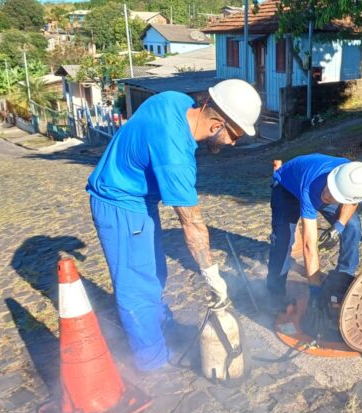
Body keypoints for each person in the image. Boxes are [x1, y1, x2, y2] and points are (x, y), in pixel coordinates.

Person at [86, 79, 261, 372]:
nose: (233, 143)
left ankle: (159, 326)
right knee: (136, 285)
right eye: (235, 135)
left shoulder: (174, 100)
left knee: (154, 272)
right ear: (218, 123)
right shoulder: (175, 157)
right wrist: (210, 273)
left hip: (138, 199)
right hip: (120, 203)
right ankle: (152, 362)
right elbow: (191, 223)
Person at [267, 153, 362, 312]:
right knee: (283, 240)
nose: (327, 196)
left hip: (319, 186)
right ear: (332, 179)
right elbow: (309, 246)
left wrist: (339, 226)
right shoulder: (311, 186)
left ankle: (343, 278)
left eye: (334, 195)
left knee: (352, 225)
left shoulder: (356, 181)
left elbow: (352, 203)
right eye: (329, 190)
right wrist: (315, 291)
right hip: (287, 186)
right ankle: (275, 293)